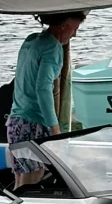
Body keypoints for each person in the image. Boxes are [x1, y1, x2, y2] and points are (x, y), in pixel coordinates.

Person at [7, 10, 86, 189]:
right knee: (32, 180)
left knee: (21, 179)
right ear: (64, 25)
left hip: (16, 121)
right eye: (74, 29)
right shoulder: (52, 48)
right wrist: (54, 128)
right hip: (34, 122)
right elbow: (43, 89)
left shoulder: (31, 40)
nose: (75, 34)